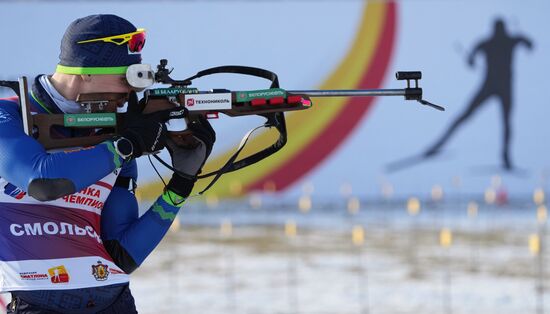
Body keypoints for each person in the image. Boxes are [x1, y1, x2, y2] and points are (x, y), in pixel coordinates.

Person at [0, 14, 215, 313]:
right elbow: (42, 181)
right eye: (123, 78)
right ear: (85, 72)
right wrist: (127, 145)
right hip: (32, 302)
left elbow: (123, 255)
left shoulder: (113, 134)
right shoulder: (8, 115)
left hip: (114, 301)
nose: (129, 93)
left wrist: (181, 183)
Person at [423, 18, 533, 170]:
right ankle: (439, 144)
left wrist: (471, 61)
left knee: (501, 122)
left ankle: (506, 157)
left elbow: (528, 43)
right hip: (493, 86)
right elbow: (528, 43)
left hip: (498, 87)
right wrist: (471, 60)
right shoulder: (504, 41)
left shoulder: (493, 42)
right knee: (479, 118)